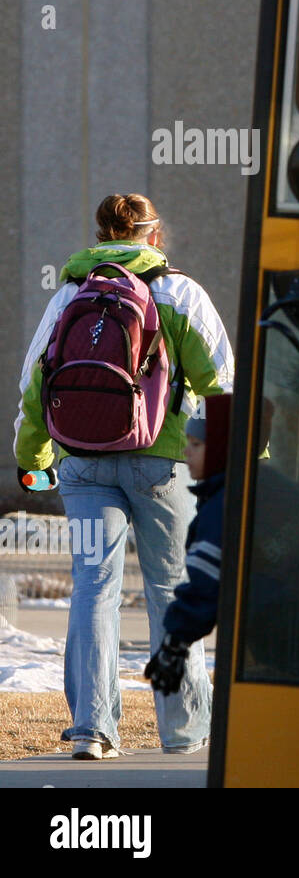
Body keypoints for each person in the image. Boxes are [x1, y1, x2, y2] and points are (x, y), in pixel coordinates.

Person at [13, 193, 234, 759]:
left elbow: (35, 388)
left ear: (99, 234)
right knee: (170, 588)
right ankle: (184, 731)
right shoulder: (180, 292)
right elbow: (223, 387)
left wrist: (34, 462)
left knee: (92, 588)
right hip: (164, 466)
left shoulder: (68, 294)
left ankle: (91, 729)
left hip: (82, 466)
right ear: (154, 236)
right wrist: (243, 465)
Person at [145, 393, 231, 695]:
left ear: (223, 448)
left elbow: (205, 585)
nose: (186, 452)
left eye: (196, 445)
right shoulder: (252, 490)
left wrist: (176, 640)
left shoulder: (220, 507)